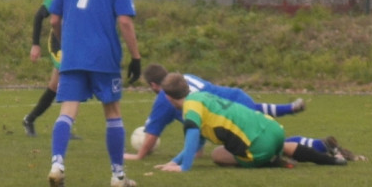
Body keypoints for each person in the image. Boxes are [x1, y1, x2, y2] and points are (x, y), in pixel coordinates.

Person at [47, 0, 141, 187]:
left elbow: (55, 19)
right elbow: (124, 21)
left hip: (73, 54)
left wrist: (64, 42)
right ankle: (118, 176)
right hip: (104, 56)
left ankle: (57, 165)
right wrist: (136, 57)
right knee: (112, 111)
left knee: (68, 110)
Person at [154, 73, 358, 172]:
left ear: (170, 98)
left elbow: (191, 134)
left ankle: (269, 160)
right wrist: (174, 161)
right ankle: (333, 160)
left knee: (218, 154)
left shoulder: (190, 107)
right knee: (283, 145)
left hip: (257, 146)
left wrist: (183, 167)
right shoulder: (204, 97)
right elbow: (197, 136)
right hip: (274, 130)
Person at [125, 63, 306, 160]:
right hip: (236, 98)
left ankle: (318, 146)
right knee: (261, 121)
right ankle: (291, 109)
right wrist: (197, 150)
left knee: (266, 143)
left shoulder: (165, 98)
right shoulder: (183, 78)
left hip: (229, 114)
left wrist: (139, 155)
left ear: (154, 85)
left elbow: (152, 134)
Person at [22, 0, 86, 137]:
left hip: (77, 41)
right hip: (59, 42)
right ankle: (63, 126)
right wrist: (35, 44)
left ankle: (30, 119)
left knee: (55, 85)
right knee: (69, 80)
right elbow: (39, 15)